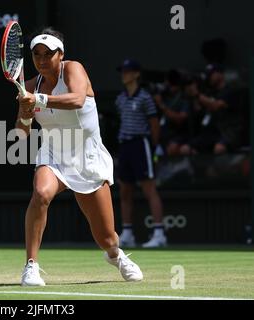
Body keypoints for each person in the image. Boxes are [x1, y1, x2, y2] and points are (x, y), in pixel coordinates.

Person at [15, 28, 143, 286]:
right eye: (36, 54)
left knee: (106, 237)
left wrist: (38, 99)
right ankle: (31, 266)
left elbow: (76, 99)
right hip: (53, 154)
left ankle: (116, 256)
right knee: (41, 193)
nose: (41, 59)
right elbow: (21, 133)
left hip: (88, 159)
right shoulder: (28, 86)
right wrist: (26, 111)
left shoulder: (73, 69)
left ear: (60, 54)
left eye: (48, 54)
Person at [115, 59, 167, 248]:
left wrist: (152, 147)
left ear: (137, 74)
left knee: (148, 188)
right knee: (125, 190)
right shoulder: (120, 99)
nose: (124, 75)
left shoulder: (145, 97)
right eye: (122, 71)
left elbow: (154, 124)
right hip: (125, 146)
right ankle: (127, 233)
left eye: (127, 71)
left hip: (141, 144)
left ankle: (159, 233)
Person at [181, 64, 243, 155]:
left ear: (220, 74)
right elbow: (198, 109)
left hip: (228, 130)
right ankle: (203, 168)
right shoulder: (210, 92)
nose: (209, 77)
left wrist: (197, 94)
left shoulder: (230, 90)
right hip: (212, 132)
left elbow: (215, 106)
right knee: (185, 149)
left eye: (211, 74)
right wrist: (192, 95)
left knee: (219, 148)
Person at [153, 69, 190, 156]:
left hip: (177, 136)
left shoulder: (183, 98)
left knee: (172, 149)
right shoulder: (164, 96)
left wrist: (161, 105)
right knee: (154, 155)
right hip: (162, 137)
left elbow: (180, 119)